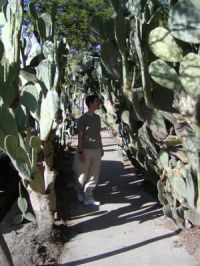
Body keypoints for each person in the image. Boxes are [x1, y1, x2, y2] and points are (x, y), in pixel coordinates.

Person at [73, 94, 104, 206]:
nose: (98, 103)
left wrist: (101, 147)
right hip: (85, 150)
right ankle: (79, 191)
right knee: (82, 175)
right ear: (90, 103)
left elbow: (98, 134)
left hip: (96, 150)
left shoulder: (97, 118)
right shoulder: (82, 119)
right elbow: (80, 137)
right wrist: (80, 152)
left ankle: (88, 196)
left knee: (94, 175)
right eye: (97, 101)